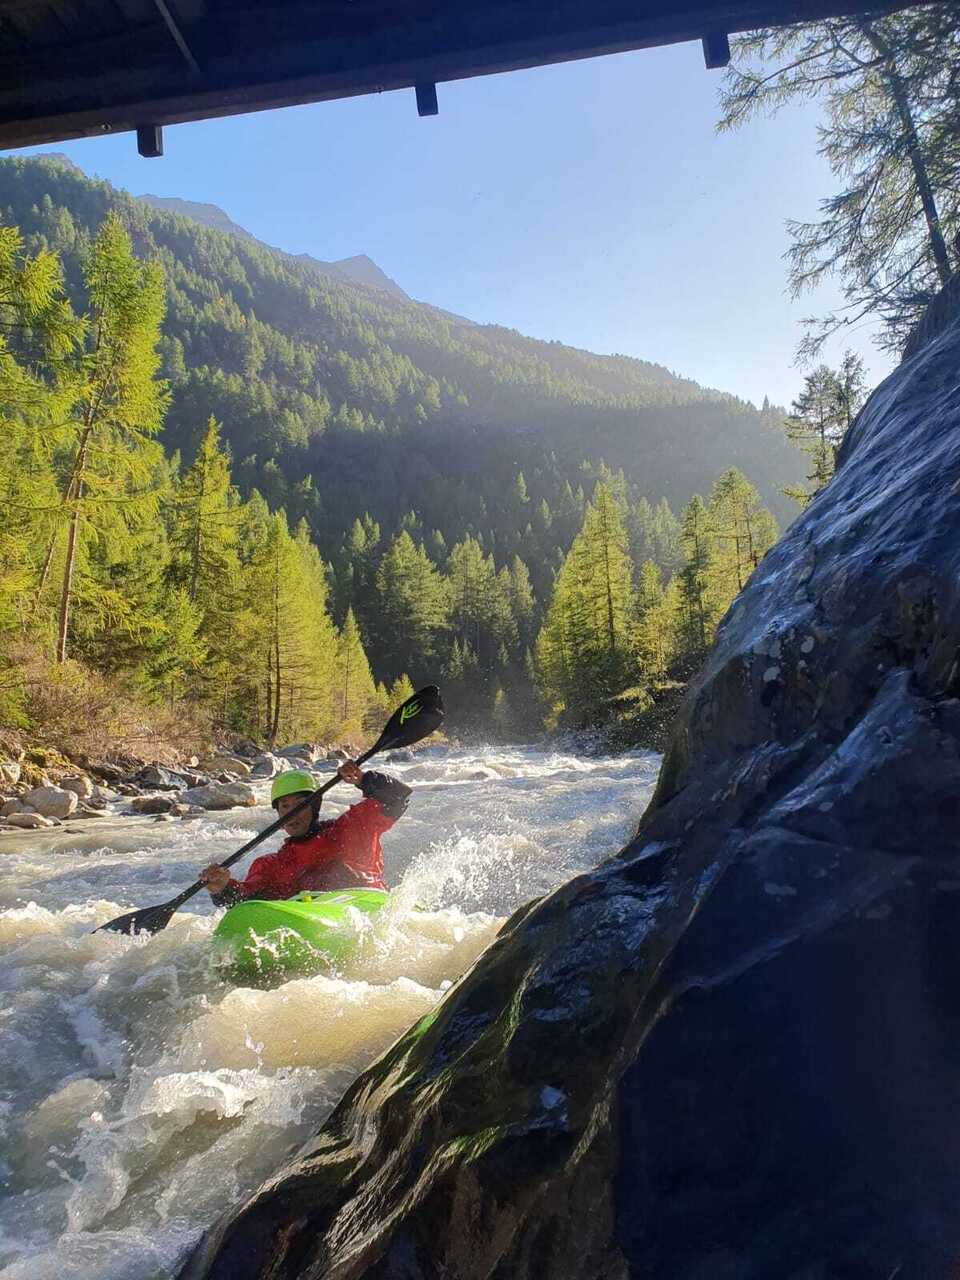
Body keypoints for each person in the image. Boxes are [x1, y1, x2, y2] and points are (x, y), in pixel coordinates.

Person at [199, 762, 412, 906]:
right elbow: (245, 902)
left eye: (300, 804)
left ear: (315, 808)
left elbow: (398, 798)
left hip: (367, 908)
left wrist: (363, 779)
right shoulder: (271, 865)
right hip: (315, 923)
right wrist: (222, 889)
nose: (291, 812)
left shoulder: (353, 828)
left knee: (336, 871)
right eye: (284, 806)